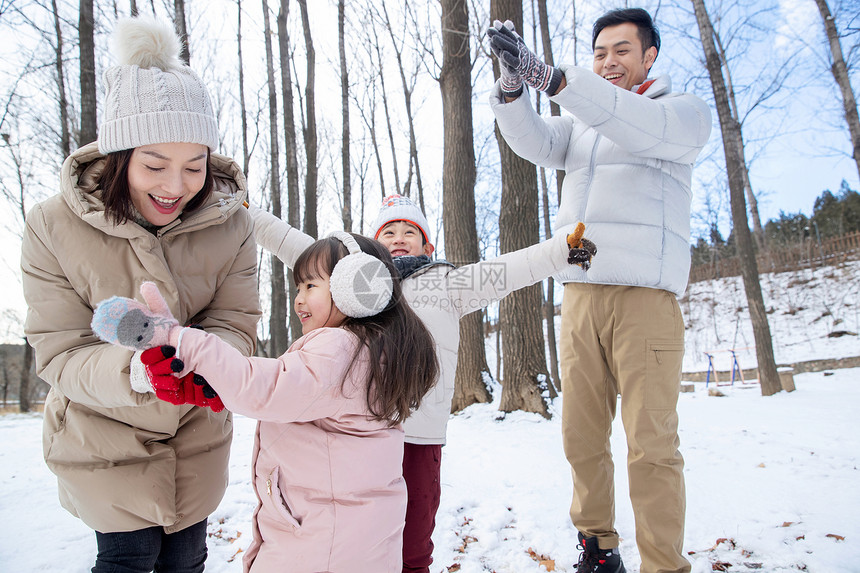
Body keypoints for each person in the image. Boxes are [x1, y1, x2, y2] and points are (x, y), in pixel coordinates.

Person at [21, 16, 260, 573]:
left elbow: (236, 321)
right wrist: (134, 371)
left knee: (186, 558)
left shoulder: (232, 224)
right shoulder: (51, 226)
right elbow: (60, 350)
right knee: (127, 559)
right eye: (154, 165)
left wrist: (208, 363)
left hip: (196, 438)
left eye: (194, 166)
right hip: (102, 439)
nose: (175, 186)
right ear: (119, 156)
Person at [250, 193, 596, 573]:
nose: (399, 237)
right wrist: (249, 214)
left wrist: (559, 251)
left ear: (427, 244)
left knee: (413, 543)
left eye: (409, 231)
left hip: (418, 436)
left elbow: (506, 270)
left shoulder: (447, 283)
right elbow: (294, 244)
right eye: (389, 231)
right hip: (360, 435)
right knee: (358, 541)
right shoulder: (359, 282)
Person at [487, 8, 712, 573]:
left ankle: (663, 562)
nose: (609, 62)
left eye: (621, 51)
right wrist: (515, 90)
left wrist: (557, 81)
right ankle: (597, 544)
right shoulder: (583, 126)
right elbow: (536, 143)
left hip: (645, 301)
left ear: (649, 57)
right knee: (581, 433)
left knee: (651, 443)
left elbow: (632, 124)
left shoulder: (681, 114)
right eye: (600, 53)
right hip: (582, 295)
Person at [91, 232, 441, 573]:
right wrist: (214, 383)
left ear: (354, 288)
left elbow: (263, 388)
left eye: (311, 286)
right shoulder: (373, 351)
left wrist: (179, 339)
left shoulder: (339, 349)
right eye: (297, 288)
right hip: (348, 534)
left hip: (322, 541)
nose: (299, 299)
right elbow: (289, 388)